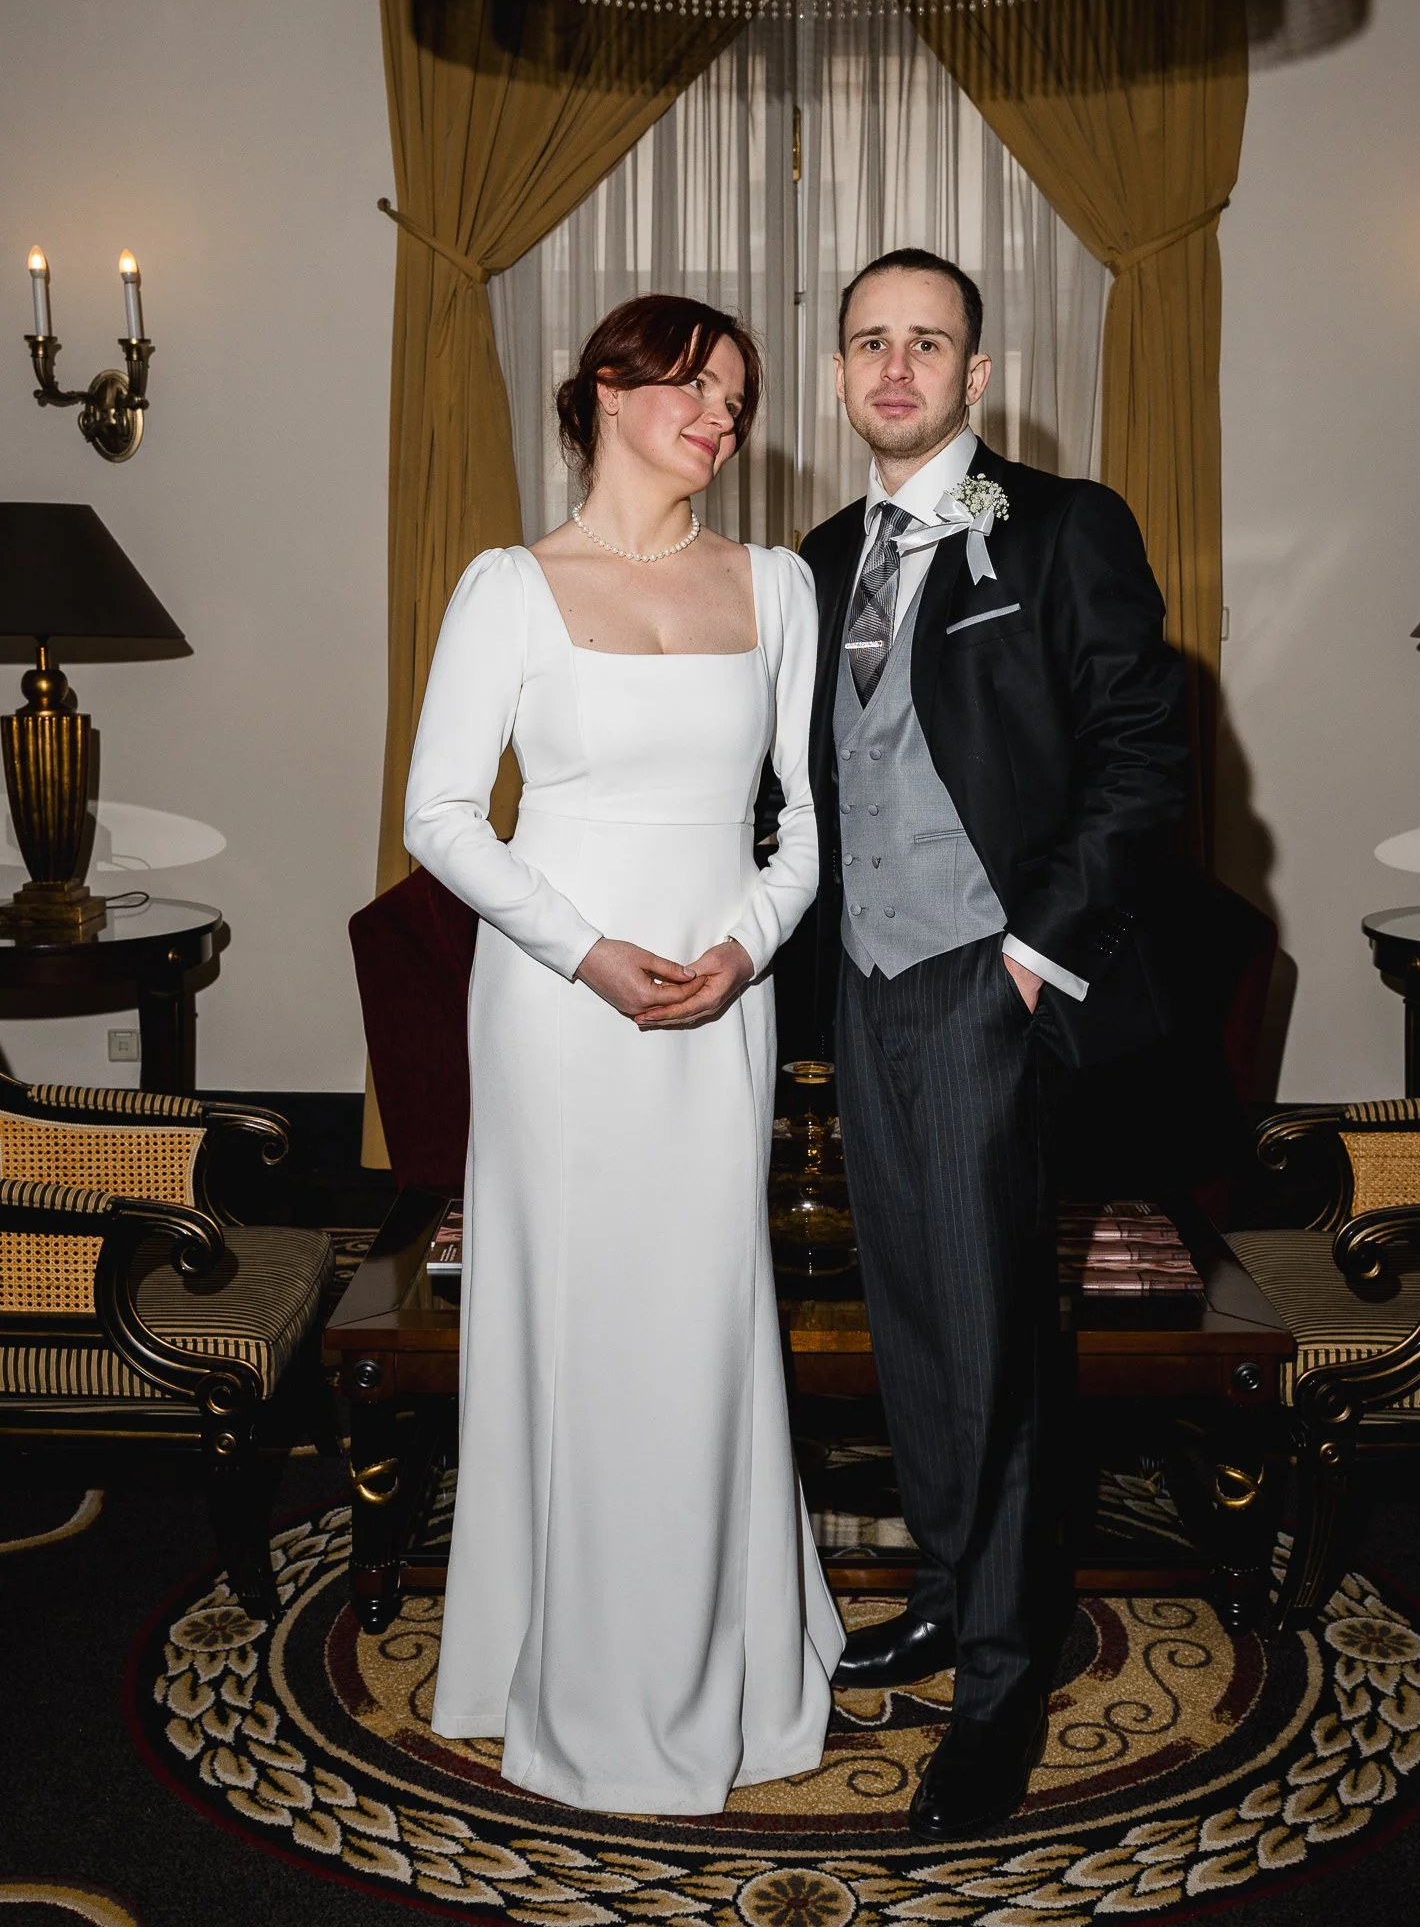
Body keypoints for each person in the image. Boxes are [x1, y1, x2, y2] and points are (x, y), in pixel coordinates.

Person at [404, 293, 842, 1816]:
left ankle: (730, 1667)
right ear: (602, 392)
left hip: (721, 998)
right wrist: (584, 951)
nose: (722, 414)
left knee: (705, 1315)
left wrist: (745, 947)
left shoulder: (776, 584)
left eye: (739, 392)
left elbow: (807, 827)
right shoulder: (509, 588)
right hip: (555, 1002)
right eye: (693, 385)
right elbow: (442, 817)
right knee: (575, 1319)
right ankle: (548, 1658)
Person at [801, 249, 1187, 1839]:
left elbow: (1142, 757)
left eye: (929, 343)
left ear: (977, 372)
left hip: (987, 977)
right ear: (841, 375)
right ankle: (956, 1598)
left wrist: (1033, 958)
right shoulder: (816, 558)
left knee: (996, 1346)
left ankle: (1005, 1684)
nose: (898, 367)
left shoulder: (1069, 524)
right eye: (870, 342)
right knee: (910, 1325)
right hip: (860, 985)